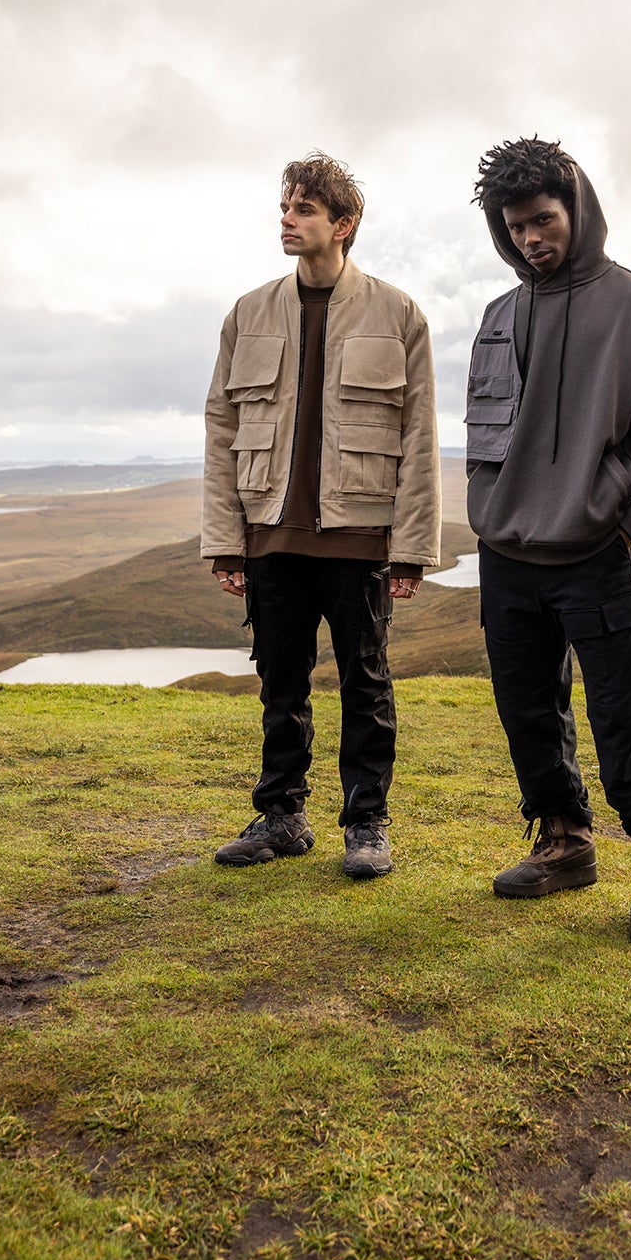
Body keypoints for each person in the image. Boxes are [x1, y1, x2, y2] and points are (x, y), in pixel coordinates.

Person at [464, 139, 631, 944]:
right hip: (507, 556)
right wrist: (488, 510)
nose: (532, 238)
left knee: (621, 711)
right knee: (526, 709)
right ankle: (565, 841)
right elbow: (485, 437)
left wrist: (628, 516)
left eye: (544, 220)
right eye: (517, 228)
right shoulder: (499, 317)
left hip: (598, 553)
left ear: (576, 209)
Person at [201, 152, 441, 879]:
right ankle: (282, 815)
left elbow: (420, 435)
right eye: (284, 206)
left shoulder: (399, 313)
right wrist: (225, 540)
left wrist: (411, 548)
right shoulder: (248, 312)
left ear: (345, 224)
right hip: (271, 533)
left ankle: (366, 824)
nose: (286, 219)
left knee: (365, 681)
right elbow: (220, 427)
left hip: (360, 537)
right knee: (281, 680)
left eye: (303, 209)